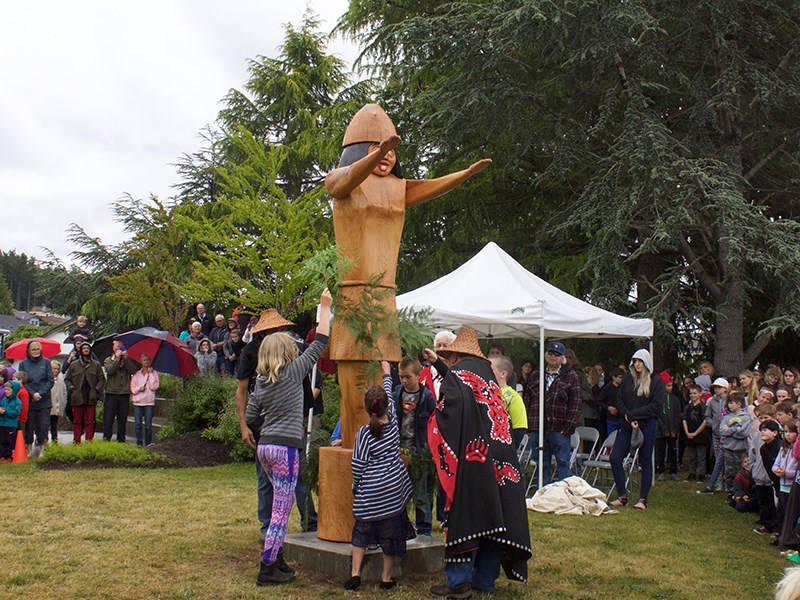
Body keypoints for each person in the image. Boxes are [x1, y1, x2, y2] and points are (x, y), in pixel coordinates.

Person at [423, 327, 530, 597]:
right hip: (504, 457)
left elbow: (453, 405)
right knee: (496, 516)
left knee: (468, 514)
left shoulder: (458, 376)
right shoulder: (489, 379)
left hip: (475, 457)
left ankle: (458, 582)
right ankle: (484, 580)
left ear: (457, 356)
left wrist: (437, 420)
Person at [244, 289, 331, 587]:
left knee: (277, 506)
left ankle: (277, 558)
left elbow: (251, 417)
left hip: (265, 446)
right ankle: (267, 568)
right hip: (286, 448)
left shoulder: (261, 382)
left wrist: (270, 421)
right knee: (282, 510)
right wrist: (325, 307)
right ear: (285, 353)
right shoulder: (294, 373)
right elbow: (320, 341)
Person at [236, 307, 319, 538]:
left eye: (282, 329)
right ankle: (268, 530)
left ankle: (309, 522)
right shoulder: (252, 353)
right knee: (267, 481)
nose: (281, 332)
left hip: (289, 423)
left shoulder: (292, 352)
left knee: (299, 475)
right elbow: (242, 391)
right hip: (271, 427)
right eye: (276, 329)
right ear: (265, 332)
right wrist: (246, 426)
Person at [344, 363, 415, 591]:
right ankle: (385, 577)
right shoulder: (393, 422)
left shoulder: (364, 433)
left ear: (366, 409)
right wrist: (386, 371)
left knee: (361, 531)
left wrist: (358, 485)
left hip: (370, 492)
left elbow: (358, 465)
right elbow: (390, 392)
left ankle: (355, 574)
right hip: (392, 490)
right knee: (390, 535)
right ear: (387, 406)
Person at [609, 349, 664, 510]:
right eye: (635, 361)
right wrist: (627, 415)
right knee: (615, 457)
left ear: (646, 362)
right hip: (627, 424)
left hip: (647, 424)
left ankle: (642, 499)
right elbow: (619, 399)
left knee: (645, 460)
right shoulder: (628, 379)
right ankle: (622, 495)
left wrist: (634, 416)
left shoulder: (656, 381)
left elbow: (656, 406)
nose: (637, 364)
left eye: (640, 361)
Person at [524, 341, 582, 485]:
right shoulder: (536, 375)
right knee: (541, 462)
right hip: (539, 427)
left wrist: (568, 427)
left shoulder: (571, 376)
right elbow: (527, 400)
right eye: (550, 353)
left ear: (562, 358)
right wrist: (530, 424)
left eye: (557, 354)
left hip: (560, 428)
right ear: (546, 355)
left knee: (563, 462)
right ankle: (542, 492)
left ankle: (563, 493)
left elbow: (575, 403)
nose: (553, 357)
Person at [391, 356, 436, 536]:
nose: (404, 381)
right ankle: (402, 526)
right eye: (401, 377)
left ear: (418, 375)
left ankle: (424, 529)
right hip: (399, 450)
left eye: (408, 377)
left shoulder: (427, 397)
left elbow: (434, 423)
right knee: (398, 491)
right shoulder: (397, 394)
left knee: (421, 493)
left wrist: (429, 450)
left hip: (420, 451)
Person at [18, 340, 54, 457]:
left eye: (38, 349)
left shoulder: (46, 362)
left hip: (44, 400)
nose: (36, 352)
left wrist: (40, 393)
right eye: (33, 350)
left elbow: (50, 380)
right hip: (30, 399)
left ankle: (42, 450)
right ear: (28, 351)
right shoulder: (23, 364)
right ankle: (28, 449)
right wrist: (33, 393)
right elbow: (23, 381)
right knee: (30, 425)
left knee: (43, 426)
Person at [65, 341, 105, 444]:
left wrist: (97, 389)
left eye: (88, 348)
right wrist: (71, 388)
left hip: (91, 396)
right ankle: (76, 440)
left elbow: (101, 379)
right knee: (77, 421)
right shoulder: (74, 365)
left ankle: (89, 441)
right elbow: (67, 379)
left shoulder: (96, 365)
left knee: (90, 421)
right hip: (77, 396)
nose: (86, 350)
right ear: (81, 351)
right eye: (84, 349)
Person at [103, 341, 139, 443]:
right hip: (111, 392)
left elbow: (134, 371)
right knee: (108, 418)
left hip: (124, 393)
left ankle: (121, 440)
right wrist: (117, 359)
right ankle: (106, 439)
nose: (120, 348)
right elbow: (110, 370)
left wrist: (126, 358)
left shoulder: (128, 359)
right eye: (118, 346)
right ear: (113, 348)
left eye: (122, 346)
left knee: (122, 419)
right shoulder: (108, 360)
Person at [698, 377, 729, 494]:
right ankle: (719, 482)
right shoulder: (712, 401)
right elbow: (707, 416)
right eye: (715, 387)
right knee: (718, 458)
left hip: (728, 435)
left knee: (727, 459)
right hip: (716, 434)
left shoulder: (729, 400)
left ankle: (728, 482)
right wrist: (713, 425)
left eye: (719, 387)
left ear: (725, 388)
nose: (716, 389)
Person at [490, 355, 529, 449]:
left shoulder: (513, 397)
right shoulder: (481, 392)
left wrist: (508, 450)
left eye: (490, 369)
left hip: (502, 449)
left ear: (503, 374)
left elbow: (519, 427)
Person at [719, 392, 751, 493]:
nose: (729, 405)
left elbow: (744, 433)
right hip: (728, 448)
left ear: (739, 404)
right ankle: (730, 491)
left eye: (731, 403)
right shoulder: (726, 417)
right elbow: (722, 431)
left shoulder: (745, 417)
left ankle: (739, 491)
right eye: (728, 403)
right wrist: (735, 429)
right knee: (729, 471)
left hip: (740, 449)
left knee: (739, 470)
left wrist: (729, 430)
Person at [774, 421, 798, 542]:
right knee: (782, 511)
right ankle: (781, 534)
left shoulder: (796, 451)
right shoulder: (783, 449)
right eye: (785, 432)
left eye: (791, 432)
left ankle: (789, 537)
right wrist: (776, 470)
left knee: (790, 514)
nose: (788, 435)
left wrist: (787, 474)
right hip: (782, 485)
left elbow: (796, 471)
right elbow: (776, 464)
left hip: (792, 486)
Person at [656, 371, 682, 481]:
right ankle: (661, 470)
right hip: (661, 431)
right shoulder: (657, 399)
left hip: (672, 430)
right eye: (668, 385)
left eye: (671, 385)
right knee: (661, 451)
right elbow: (657, 415)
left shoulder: (675, 400)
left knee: (673, 451)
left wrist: (674, 429)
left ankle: (673, 470)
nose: (670, 388)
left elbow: (677, 415)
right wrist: (664, 429)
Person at [131, 354, 159, 447]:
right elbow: (133, 389)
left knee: (148, 425)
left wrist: (150, 374)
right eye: (144, 360)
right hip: (138, 402)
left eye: (147, 360)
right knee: (138, 424)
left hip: (149, 402)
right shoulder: (136, 374)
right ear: (141, 361)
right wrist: (139, 388)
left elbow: (154, 386)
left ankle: (148, 443)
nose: (146, 362)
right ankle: (139, 443)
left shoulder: (154, 373)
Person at [682, 385, 709, 482]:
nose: (692, 395)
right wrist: (687, 432)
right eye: (690, 393)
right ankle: (692, 473)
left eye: (694, 393)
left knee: (701, 456)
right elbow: (684, 419)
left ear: (700, 394)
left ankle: (701, 474)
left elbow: (705, 421)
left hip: (700, 435)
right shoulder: (688, 407)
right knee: (691, 456)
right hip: (689, 434)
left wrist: (696, 433)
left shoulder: (703, 407)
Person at [597, 368, 625, 436]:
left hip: (622, 417)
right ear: (613, 377)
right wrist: (608, 407)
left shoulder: (624, 387)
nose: (621, 379)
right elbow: (599, 401)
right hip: (612, 418)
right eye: (619, 377)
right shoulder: (607, 388)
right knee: (612, 437)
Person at [0, 381, 22, 462]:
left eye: (8, 390)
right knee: (2, 440)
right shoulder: (4, 400)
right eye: (5, 390)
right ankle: (2, 455)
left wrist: (5, 412)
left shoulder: (17, 402)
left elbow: (15, 413)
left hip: (10, 424)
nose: (6, 391)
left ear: (14, 391)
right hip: (2, 423)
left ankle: (9, 456)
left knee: (9, 441)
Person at [49, 360, 67, 442]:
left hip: (56, 407)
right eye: (54, 368)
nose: (55, 371)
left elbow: (64, 393)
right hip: (48, 406)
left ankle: (54, 439)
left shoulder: (61, 380)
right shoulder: (47, 379)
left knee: (54, 425)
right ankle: (43, 440)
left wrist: (62, 405)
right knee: (45, 425)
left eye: (57, 369)